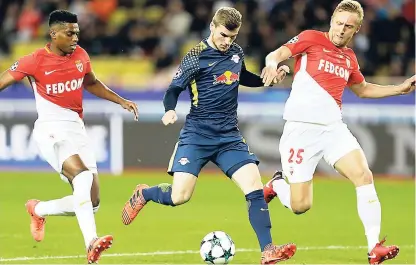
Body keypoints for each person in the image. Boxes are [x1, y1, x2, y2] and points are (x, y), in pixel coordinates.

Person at [121, 7, 295, 264]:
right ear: (213, 27)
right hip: (197, 135)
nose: (228, 42)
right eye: (224, 35)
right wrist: (169, 110)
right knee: (180, 197)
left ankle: (267, 249)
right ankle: (145, 194)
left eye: (233, 37)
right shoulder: (195, 56)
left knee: (255, 188)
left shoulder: (236, 52)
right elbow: (173, 89)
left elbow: (241, 77)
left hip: (229, 136)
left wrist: (267, 80)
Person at [260, 1, 415, 264]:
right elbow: (276, 54)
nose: (342, 29)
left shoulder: (350, 58)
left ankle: (373, 247)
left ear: (356, 30)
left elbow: (363, 89)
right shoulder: (310, 38)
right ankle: (276, 184)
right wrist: (272, 64)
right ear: (332, 20)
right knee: (300, 206)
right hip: (301, 130)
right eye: (339, 23)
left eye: (349, 26)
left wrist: (399, 89)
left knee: (364, 175)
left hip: (333, 129)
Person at [0, 10, 139, 264]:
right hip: (50, 129)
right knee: (82, 177)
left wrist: (121, 100)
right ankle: (91, 243)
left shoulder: (81, 56)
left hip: (76, 128)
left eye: (77, 32)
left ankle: (38, 209)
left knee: (92, 200)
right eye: (69, 33)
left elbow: (92, 83)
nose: (75, 37)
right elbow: (3, 80)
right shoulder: (34, 61)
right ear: (53, 34)